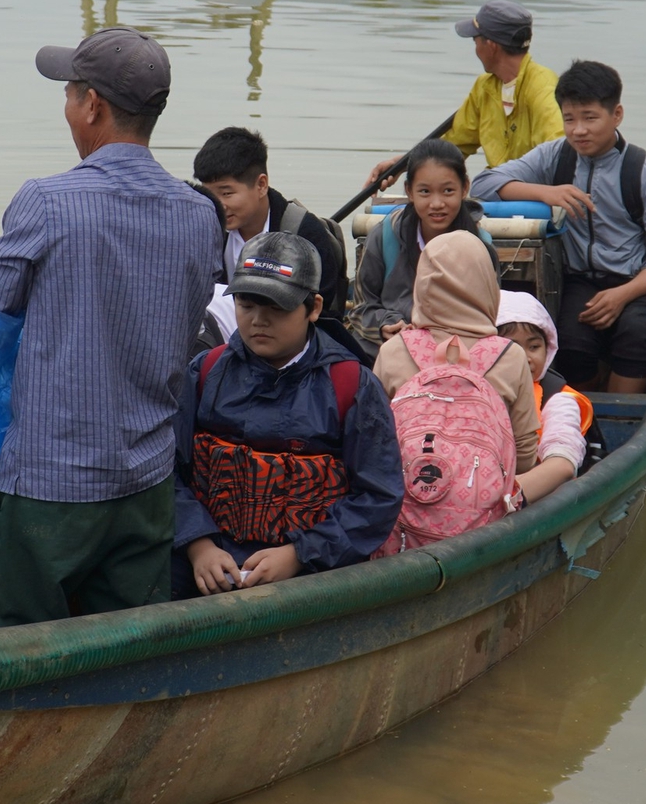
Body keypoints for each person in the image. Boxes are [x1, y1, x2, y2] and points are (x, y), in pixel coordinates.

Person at [0, 26, 221, 627]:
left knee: (19, 641)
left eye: (68, 93)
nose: (67, 107)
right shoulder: (198, 213)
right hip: (145, 482)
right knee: (122, 642)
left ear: (93, 106)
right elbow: (188, 326)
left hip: (50, 485)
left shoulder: (46, 201)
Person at [174, 232, 402, 596]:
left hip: (313, 577)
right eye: (247, 305)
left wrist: (299, 554)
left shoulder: (352, 385)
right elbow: (167, 473)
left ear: (313, 307)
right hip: (208, 570)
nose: (258, 321)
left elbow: (378, 497)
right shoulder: (204, 371)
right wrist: (198, 546)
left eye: (277, 308)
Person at [471, 60, 646, 395]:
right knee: (569, 345)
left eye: (589, 117)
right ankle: (584, 410)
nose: (578, 130)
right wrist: (545, 192)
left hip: (637, 283)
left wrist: (620, 296)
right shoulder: (555, 156)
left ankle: (617, 417)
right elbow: (483, 184)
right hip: (580, 280)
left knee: (636, 333)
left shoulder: (644, 171)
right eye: (569, 119)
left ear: (616, 115)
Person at [371, 231, 540, 551]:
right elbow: (525, 454)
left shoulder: (393, 351)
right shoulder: (511, 355)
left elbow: (373, 443)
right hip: (482, 530)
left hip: (403, 526)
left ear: (421, 286)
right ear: (489, 289)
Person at [191, 126, 366, 361]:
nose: (217, 205)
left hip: (288, 347)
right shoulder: (209, 230)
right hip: (224, 342)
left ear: (261, 185)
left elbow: (322, 316)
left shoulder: (305, 232)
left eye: (227, 193)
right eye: (209, 194)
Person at [361, 0, 563, 188]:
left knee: (480, 184)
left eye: (476, 40)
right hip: (496, 190)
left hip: (532, 193)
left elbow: (559, 154)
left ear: (490, 45)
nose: (475, 48)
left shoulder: (543, 87)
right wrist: (402, 164)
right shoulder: (484, 87)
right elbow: (454, 146)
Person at [350, 138, 494, 350]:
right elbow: (361, 309)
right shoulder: (385, 236)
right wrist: (385, 325)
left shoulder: (479, 247)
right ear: (409, 191)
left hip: (458, 354)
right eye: (425, 192)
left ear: (465, 188)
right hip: (393, 351)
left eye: (447, 191)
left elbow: (490, 315)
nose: (437, 204)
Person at [495, 290, 595, 504]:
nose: (526, 358)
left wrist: (506, 499)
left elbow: (562, 464)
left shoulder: (558, 400)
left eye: (534, 346)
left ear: (548, 348)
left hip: (529, 498)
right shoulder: (470, 389)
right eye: (511, 347)